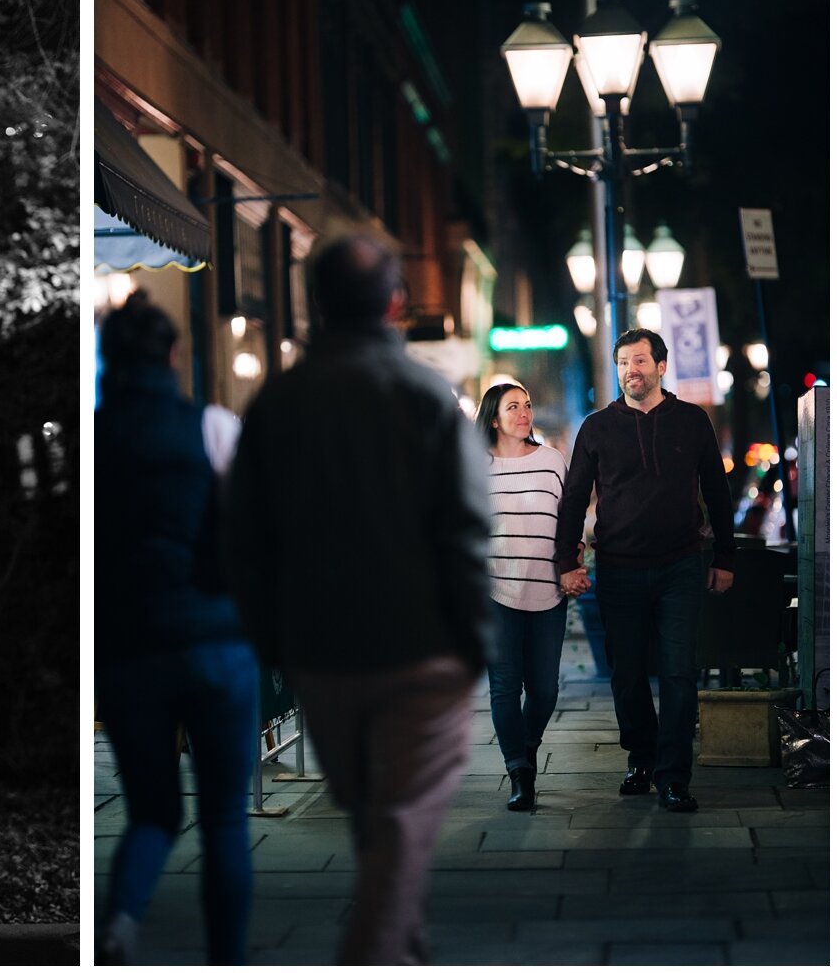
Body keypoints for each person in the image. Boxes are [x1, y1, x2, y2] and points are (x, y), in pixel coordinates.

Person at [226, 234, 494, 965]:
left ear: (315, 303)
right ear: (397, 304)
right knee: (399, 831)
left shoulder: (277, 403)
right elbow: (469, 528)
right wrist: (475, 644)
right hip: (422, 650)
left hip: (322, 654)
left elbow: (243, 541)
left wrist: (275, 644)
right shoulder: (424, 397)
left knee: (380, 835)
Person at [94, 291, 258, 965]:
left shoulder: (95, 436)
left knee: (153, 813)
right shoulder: (213, 428)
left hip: (131, 652)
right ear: (173, 355)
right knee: (223, 818)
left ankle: (119, 926)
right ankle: (226, 956)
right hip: (217, 643)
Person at [554, 328, 735, 813]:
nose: (630, 370)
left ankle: (673, 775)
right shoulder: (596, 427)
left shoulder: (692, 421)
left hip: (680, 565)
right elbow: (573, 498)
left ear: (660, 366)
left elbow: (717, 492)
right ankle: (641, 756)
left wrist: (725, 557)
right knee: (627, 674)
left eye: (639, 361)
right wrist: (565, 561)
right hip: (618, 568)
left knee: (678, 673)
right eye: (623, 362)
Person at [475, 381, 570, 812]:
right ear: (494, 419)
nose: (524, 413)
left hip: (548, 590)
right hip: (495, 591)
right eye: (513, 407)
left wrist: (576, 559)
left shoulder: (552, 461)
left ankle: (527, 747)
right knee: (504, 687)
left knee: (546, 689)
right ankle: (519, 772)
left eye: (528, 405)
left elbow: (567, 525)